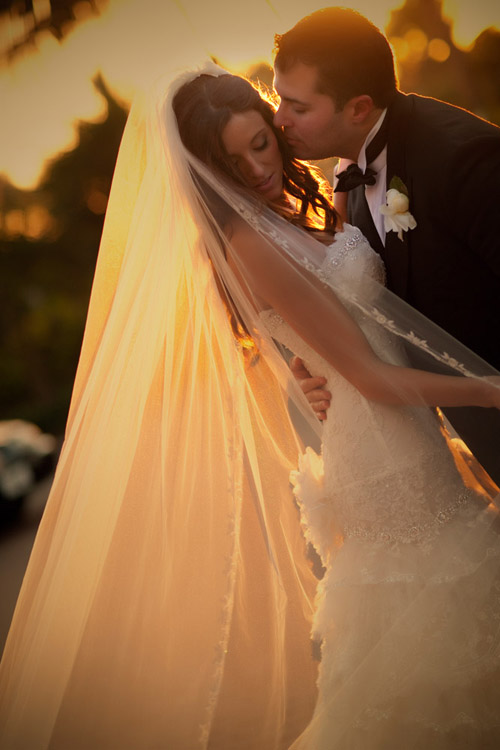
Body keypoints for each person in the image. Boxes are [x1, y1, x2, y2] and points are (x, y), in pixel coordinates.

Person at [0, 64, 499, 750]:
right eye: (234, 161)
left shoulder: (292, 211)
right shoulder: (249, 245)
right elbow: (368, 375)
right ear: (205, 168)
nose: (261, 167)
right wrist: (486, 388)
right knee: (432, 657)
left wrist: (306, 361)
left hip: (401, 433)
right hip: (386, 460)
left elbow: (338, 329)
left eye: (261, 143)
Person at [272, 7, 500, 483]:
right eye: (279, 101)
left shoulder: (463, 158)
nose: (280, 121)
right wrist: (314, 367)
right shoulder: (348, 175)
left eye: (297, 107)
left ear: (357, 107)